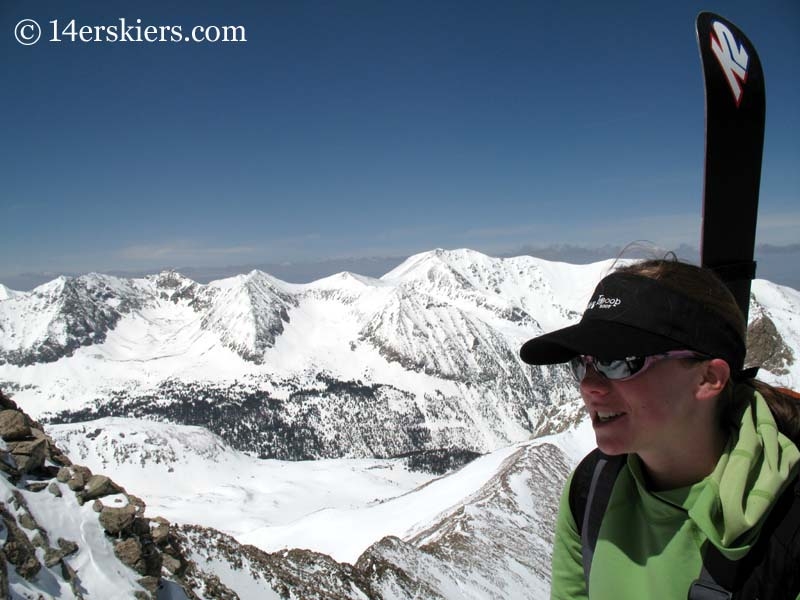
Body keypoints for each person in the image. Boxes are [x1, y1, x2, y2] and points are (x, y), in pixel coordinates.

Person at [519, 257, 800, 599]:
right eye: (584, 363)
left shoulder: (788, 520)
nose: (590, 385)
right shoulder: (592, 488)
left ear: (708, 378)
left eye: (620, 362)